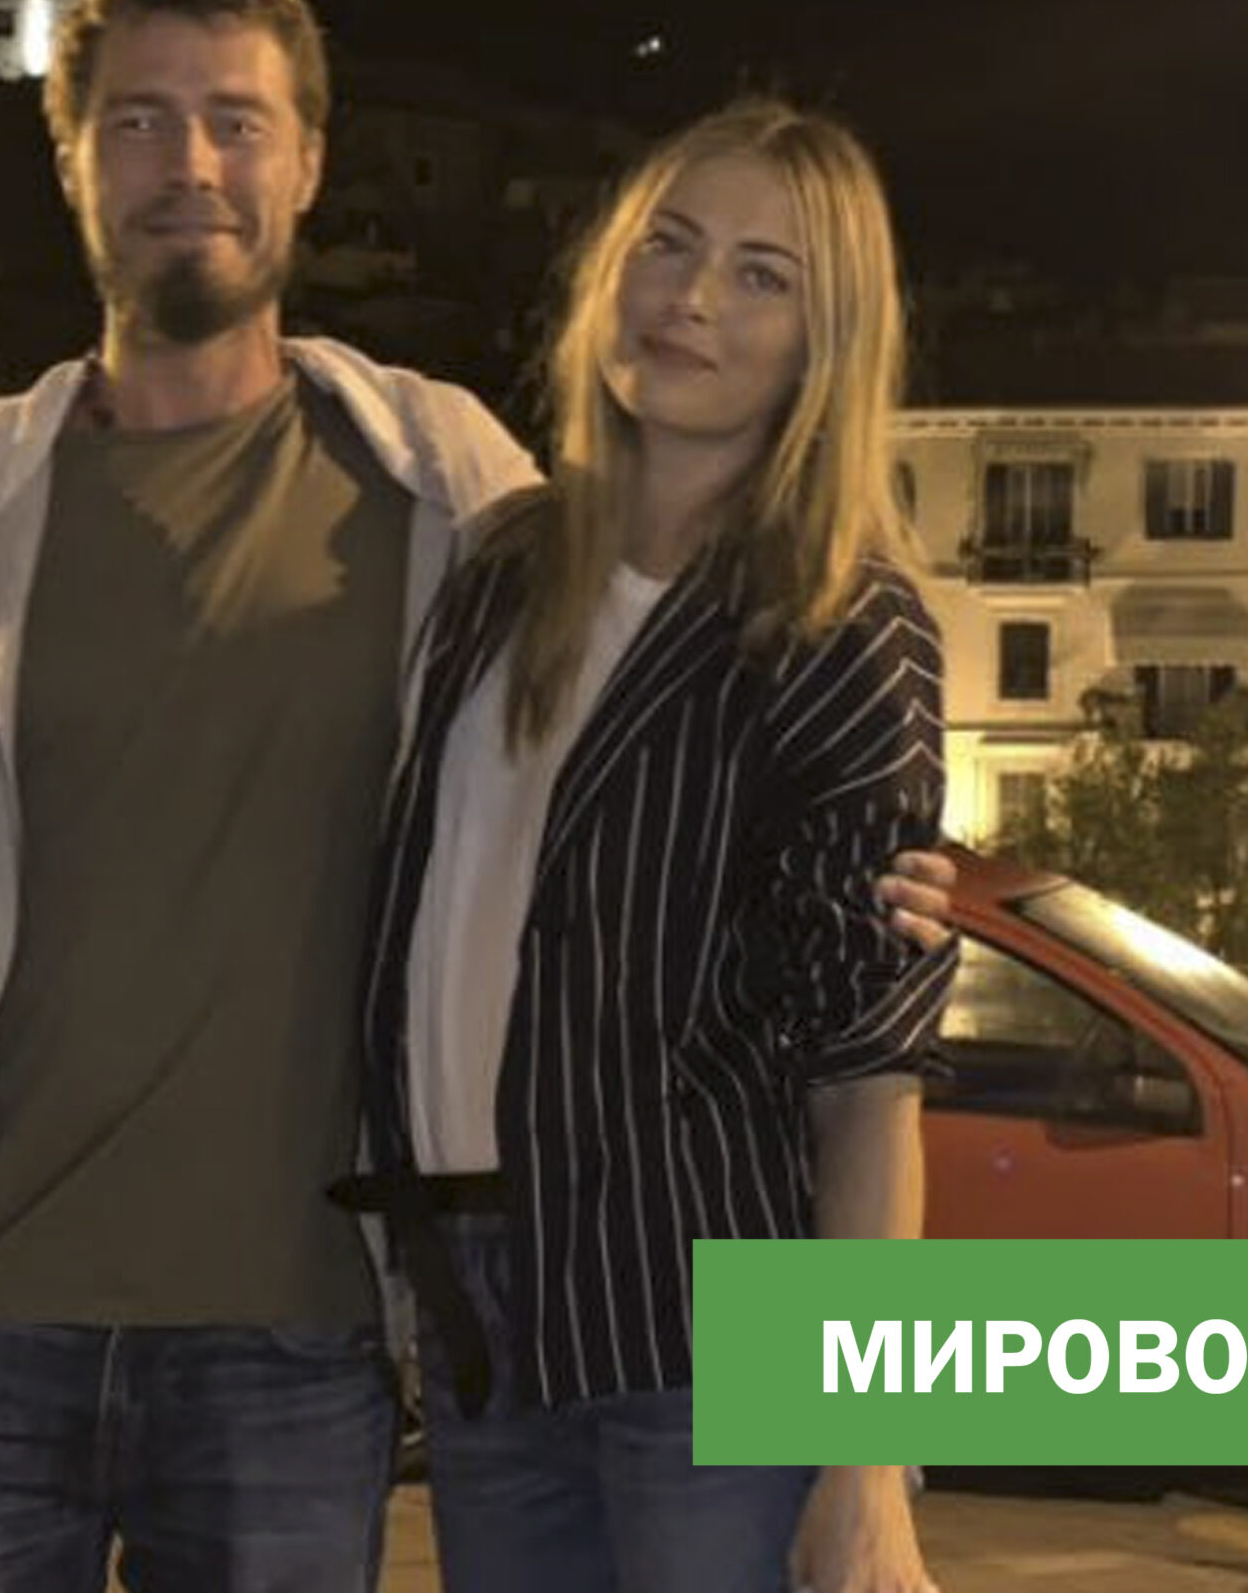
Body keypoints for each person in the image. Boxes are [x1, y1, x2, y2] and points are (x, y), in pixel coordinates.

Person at [0, 0, 955, 1593]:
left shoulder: (446, 490)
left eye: (237, 120)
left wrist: (909, 887)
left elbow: (842, 1012)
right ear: (71, 160)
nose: (191, 163)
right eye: (139, 120)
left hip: (304, 1351)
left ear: (309, 162)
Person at [348, 101, 949, 1593]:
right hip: (490, 1304)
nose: (693, 299)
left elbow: (867, 1082)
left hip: (711, 1320)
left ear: (825, 341)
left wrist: (866, 1460)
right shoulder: (502, 571)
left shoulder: (839, 623)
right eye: (668, 247)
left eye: (762, 275)